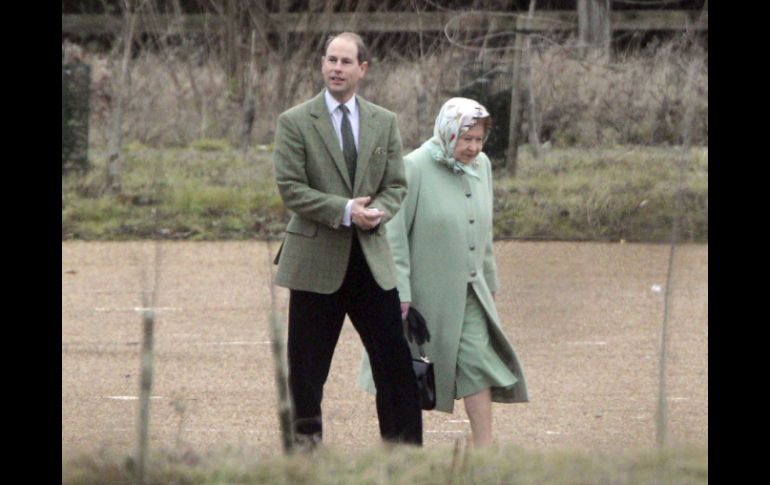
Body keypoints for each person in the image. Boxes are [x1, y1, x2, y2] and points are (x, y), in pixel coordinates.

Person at [271, 32, 422, 449]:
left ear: (363, 69)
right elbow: (290, 188)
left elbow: (396, 186)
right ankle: (305, 456)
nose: (336, 68)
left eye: (345, 62)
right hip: (315, 263)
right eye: (330, 60)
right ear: (322, 65)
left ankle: (405, 457)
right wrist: (344, 210)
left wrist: (379, 212)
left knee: (395, 364)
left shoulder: (384, 121)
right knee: (306, 371)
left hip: (371, 260)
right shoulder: (295, 121)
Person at [358, 98, 529, 447]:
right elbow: (394, 235)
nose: (473, 147)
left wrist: (489, 284)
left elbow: (485, 232)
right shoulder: (413, 167)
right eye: (466, 138)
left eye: (479, 139)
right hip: (422, 298)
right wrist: (400, 293)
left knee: (478, 363)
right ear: (448, 131)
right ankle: (401, 452)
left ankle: (484, 450)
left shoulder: (482, 166)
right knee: (410, 372)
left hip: (470, 292)